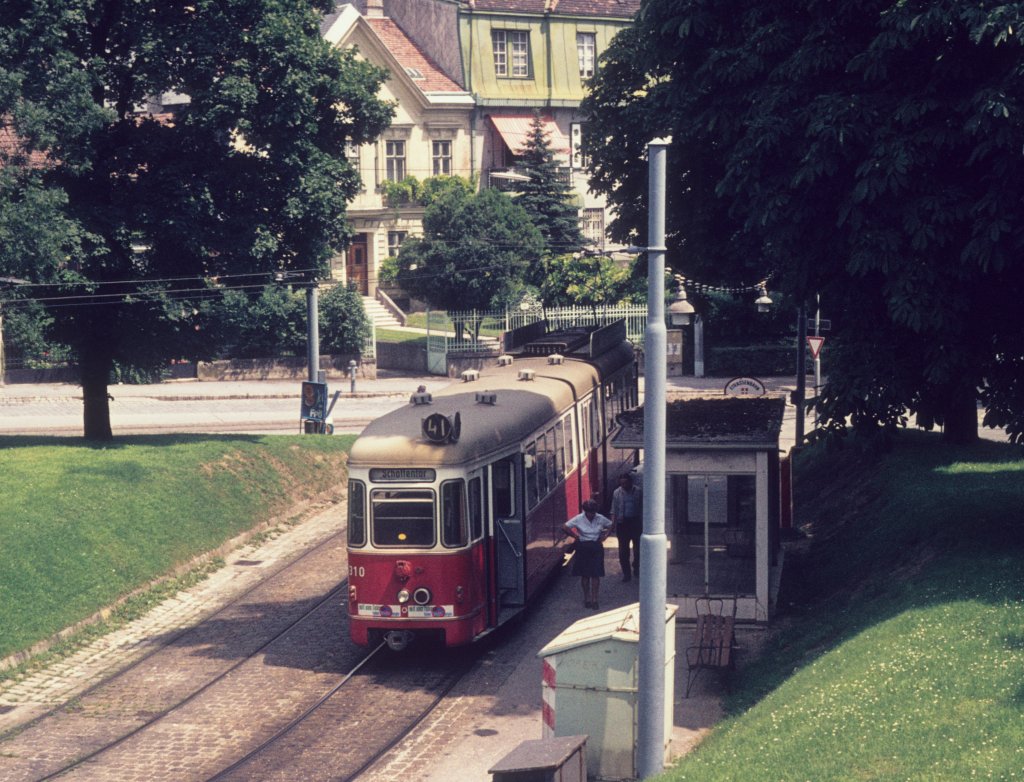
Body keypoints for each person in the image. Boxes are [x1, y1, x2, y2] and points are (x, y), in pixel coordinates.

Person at [563, 499, 613, 609]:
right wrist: (575, 536)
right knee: (585, 575)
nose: (592, 515)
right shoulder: (579, 518)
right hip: (583, 546)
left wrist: (605, 536)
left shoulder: (600, 518)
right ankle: (587, 598)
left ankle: (595, 599)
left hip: (596, 546)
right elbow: (565, 526)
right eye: (590, 512)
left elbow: (610, 525)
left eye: (593, 512)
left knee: (596, 574)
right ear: (585, 511)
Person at [611, 473, 643, 582]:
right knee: (623, 551)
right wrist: (613, 525)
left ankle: (636, 567)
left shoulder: (638, 491)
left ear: (630, 482)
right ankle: (626, 573)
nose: (623, 485)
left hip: (635, 522)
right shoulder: (617, 493)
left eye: (625, 483)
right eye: (621, 483)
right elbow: (614, 510)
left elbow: (642, 506)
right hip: (622, 524)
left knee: (638, 550)